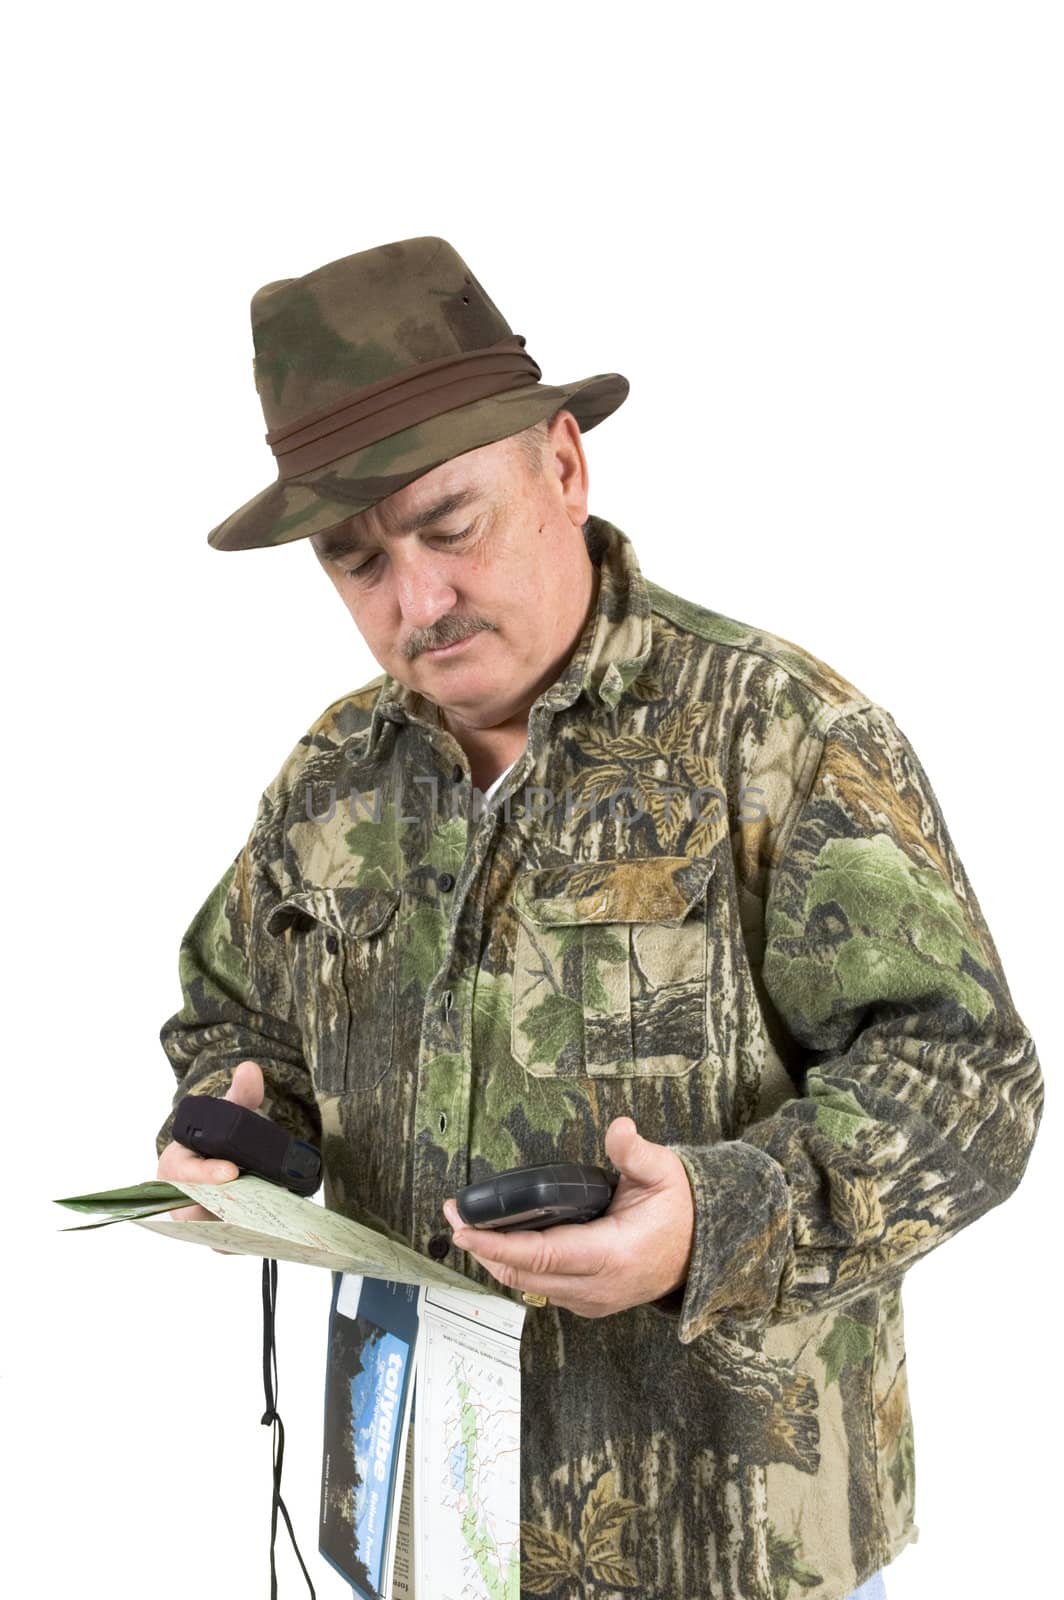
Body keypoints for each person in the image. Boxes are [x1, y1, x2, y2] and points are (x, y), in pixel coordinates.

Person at [155, 236, 1042, 1600]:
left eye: (450, 526)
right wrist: (237, 1118)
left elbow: (968, 1083)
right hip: (412, 1526)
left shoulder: (782, 738)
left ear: (563, 465)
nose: (419, 602)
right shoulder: (332, 776)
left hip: (728, 1542)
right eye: (358, 561)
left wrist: (717, 1223)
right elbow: (237, 1015)